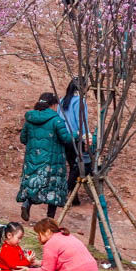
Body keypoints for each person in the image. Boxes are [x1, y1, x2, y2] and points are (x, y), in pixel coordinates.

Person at [17, 92, 73, 222]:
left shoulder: (30, 119)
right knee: (53, 187)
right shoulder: (56, 120)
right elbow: (65, 138)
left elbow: (23, 138)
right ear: (53, 105)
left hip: (33, 158)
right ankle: (50, 218)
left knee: (34, 182)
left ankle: (27, 203)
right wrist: (76, 135)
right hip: (53, 160)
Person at [58, 77, 91, 206]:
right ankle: (67, 191)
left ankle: (74, 196)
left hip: (64, 137)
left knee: (72, 165)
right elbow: (82, 121)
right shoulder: (80, 101)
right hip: (75, 138)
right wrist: (86, 136)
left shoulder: (62, 100)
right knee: (81, 166)